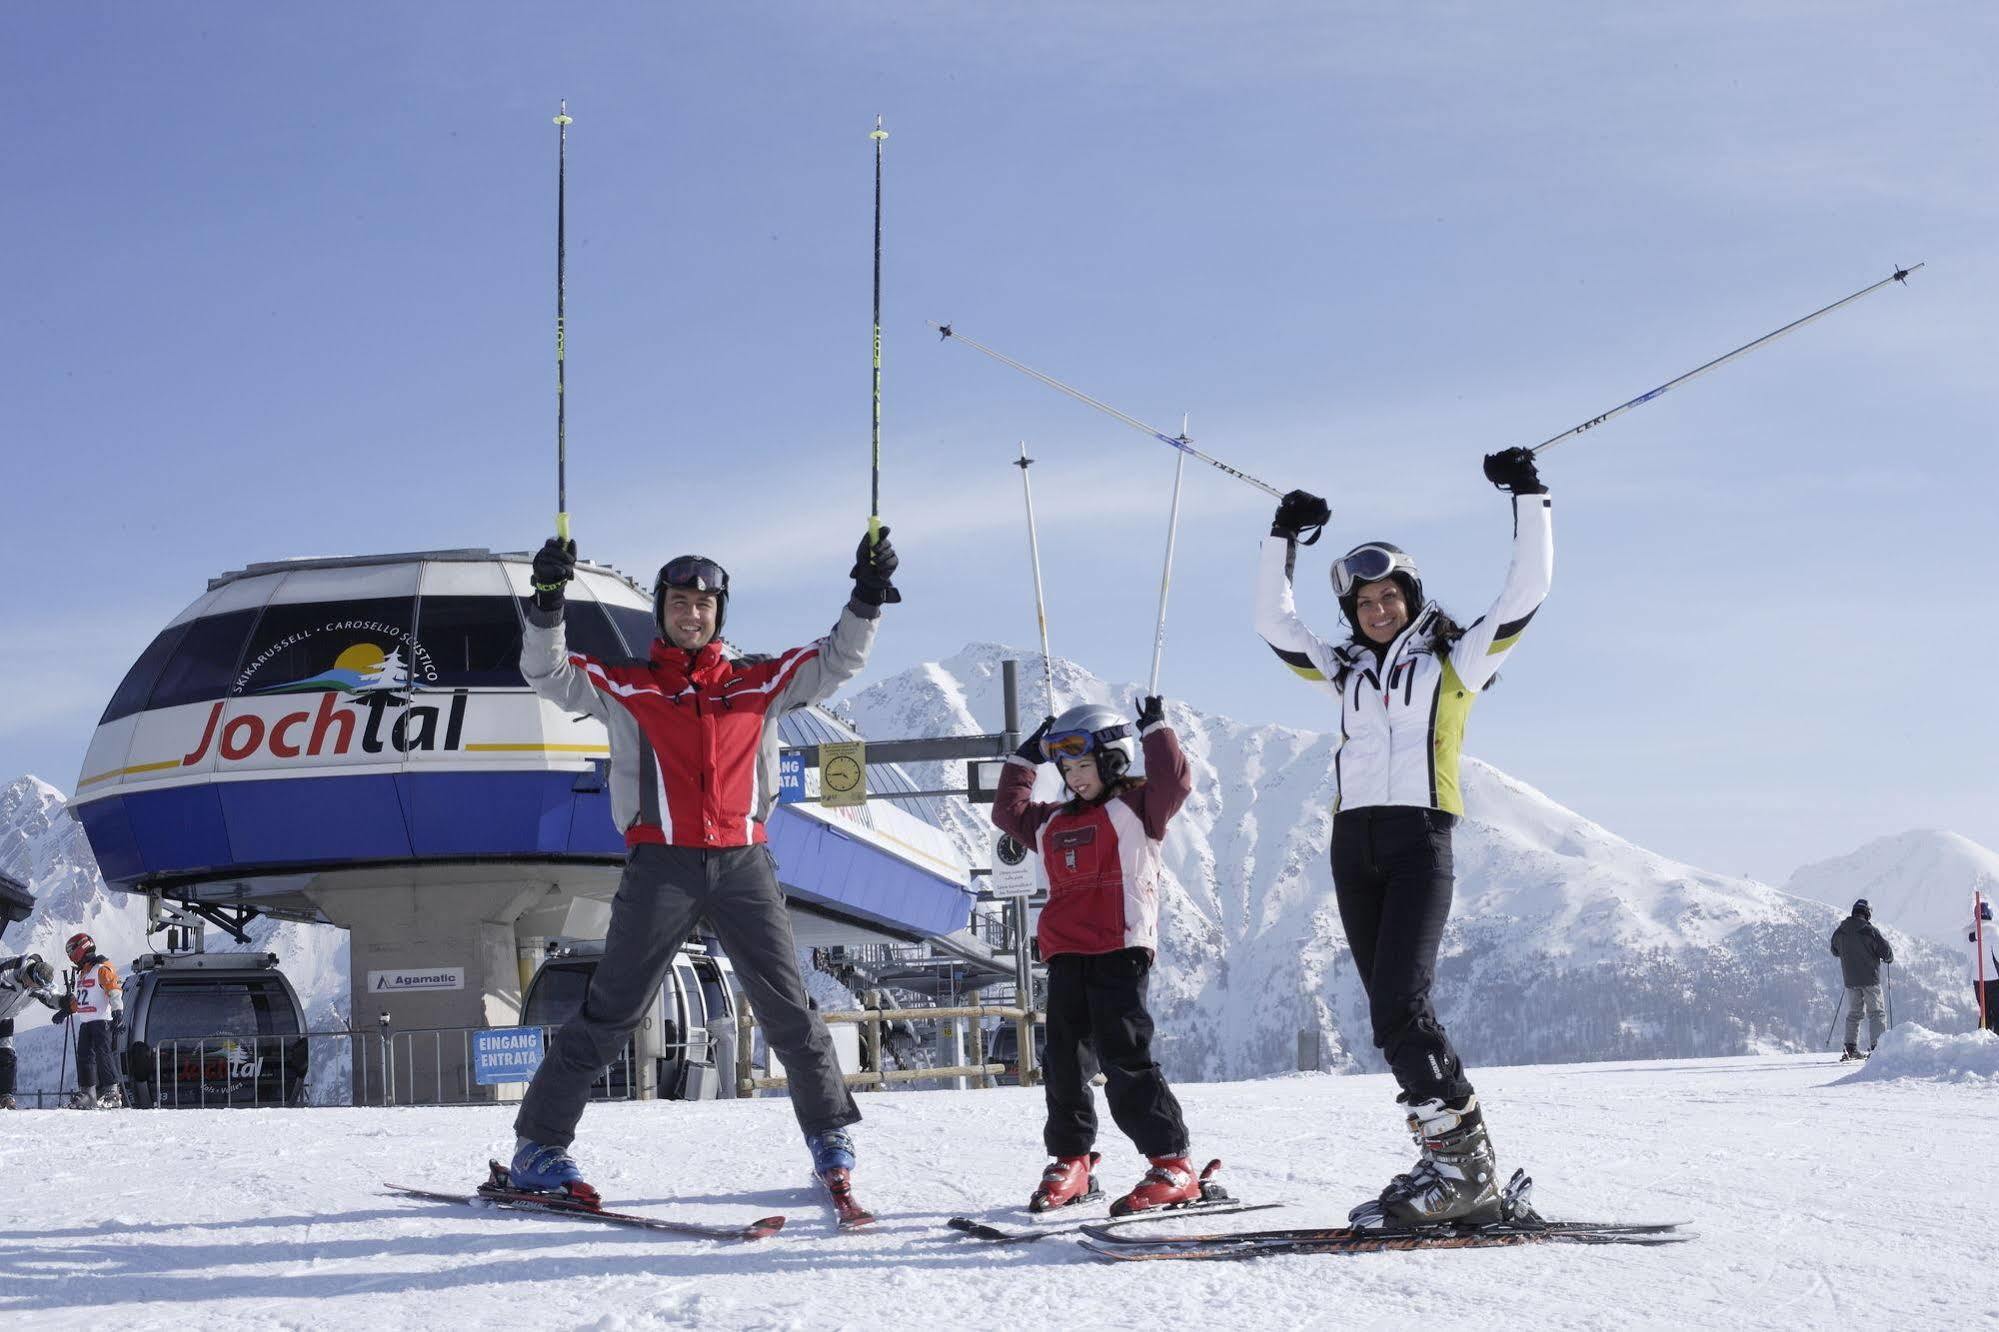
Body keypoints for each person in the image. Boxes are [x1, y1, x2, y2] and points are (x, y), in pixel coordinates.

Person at [507, 527, 899, 1216]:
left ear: (720, 613)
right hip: (661, 864)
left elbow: (837, 660)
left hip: (744, 863)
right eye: (681, 601)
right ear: (660, 609)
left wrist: (866, 597)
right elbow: (547, 673)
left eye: (705, 604)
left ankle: (830, 1140)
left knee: (789, 1011)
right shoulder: (626, 684)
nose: (693, 614)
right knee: (612, 1011)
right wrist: (546, 603)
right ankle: (538, 1148)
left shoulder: (758, 681)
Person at [1253, 446, 1553, 1229]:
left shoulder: (1458, 660)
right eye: (1363, 602)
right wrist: (1282, 537)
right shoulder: (1344, 670)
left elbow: (1527, 590)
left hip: (1419, 840)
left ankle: (1460, 1174)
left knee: (1400, 1008)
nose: (1376, 609)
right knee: (1389, 1015)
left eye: (1388, 596)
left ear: (1410, 595)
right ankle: (1456, 1167)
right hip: (1352, 846)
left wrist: (1527, 493)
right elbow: (1271, 622)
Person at [992, 696, 1198, 1216]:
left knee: (1124, 1057)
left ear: (1112, 761)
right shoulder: (1051, 821)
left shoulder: (1138, 809)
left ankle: (1172, 1162)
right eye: (1065, 767)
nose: (1074, 776)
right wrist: (1023, 762)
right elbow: (1007, 811)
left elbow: (1175, 784)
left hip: (1120, 948)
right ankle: (1073, 1160)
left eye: (1083, 764)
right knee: (1062, 1062)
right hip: (1066, 955)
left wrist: (1157, 729)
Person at [60, 933, 124, 1108]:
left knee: (103, 1055)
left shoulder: (101, 968)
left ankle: (112, 1092)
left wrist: (118, 1011)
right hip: (86, 1022)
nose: (71, 957)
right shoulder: (83, 973)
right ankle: (89, 1093)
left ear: (81, 949)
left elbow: (114, 989)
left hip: (101, 1021)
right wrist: (66, 1010)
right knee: (84, 1056)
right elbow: (82, 999)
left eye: (72, 952)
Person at [1829, 898, 1893, 1058]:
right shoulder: (1869, 930)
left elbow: (1834, 950)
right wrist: (1888, 958)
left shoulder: (1841, 930)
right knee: (1876, 1013)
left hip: (1850, 980)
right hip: (1870, 978)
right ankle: (1878, 1049)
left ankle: (1850, 1048)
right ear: (1867, 913)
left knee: (1854, 1014)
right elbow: (1886, 953)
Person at [0, 953, 60, 1109]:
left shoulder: (39, 984)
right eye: (30, 982)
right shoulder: (7, 969)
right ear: (30, 972)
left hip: (5, 1017)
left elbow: (51, 995)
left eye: (35, 986)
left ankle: (5, 1096)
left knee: (7, 1054)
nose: (29, 986)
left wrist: (64, 1002)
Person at [1969, 898, 1997, 1034]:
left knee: (1985, 1013)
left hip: (1977, 980)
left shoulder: (1969, 933)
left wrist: (1975, 935)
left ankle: (1981, 1039)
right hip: (1994, 979)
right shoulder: (1994, 932)